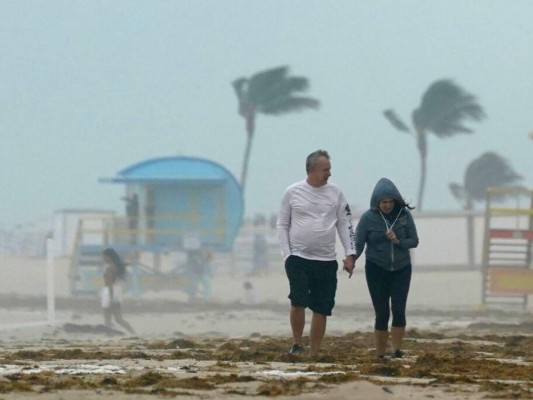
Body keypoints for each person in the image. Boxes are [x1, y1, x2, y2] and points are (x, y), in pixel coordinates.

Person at [277, 149, 355, 357]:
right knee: (298, 299)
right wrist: (287, 255)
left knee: (322, 306)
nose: (329, 173)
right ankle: (297, 343)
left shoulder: (336, 193)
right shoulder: (292, 192)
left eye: (330, 169)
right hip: (298, 257)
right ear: (311, 170)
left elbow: (345, 223)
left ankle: (314, 351)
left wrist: (350, 254)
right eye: (325, 169)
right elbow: (282, 224)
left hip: (326, 260)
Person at [346, 178, 419, 359]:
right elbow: (358, 243)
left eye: (390, 202)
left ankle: (396, 349)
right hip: (376, 269)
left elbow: (414, 241)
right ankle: (379, 353)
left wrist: (398, 241)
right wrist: (352, 259)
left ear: (395, 201)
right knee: (382, 313)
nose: (387, 206)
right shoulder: (368, 218)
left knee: (399, 310)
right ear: (377, 202)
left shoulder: (404, 216)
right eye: (384, 202)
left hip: (401, 268)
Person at [101, 248, 135, 334]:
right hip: (118, 291)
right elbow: (127, 264)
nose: (103, 258)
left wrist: (111, 298)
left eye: (104, 256)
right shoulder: (118, 266)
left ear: (108, 257)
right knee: (119, 318)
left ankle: (108, 334)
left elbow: (109, 284)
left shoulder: (109, 268)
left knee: (107, 317)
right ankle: (133, 332)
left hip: (110, 292)